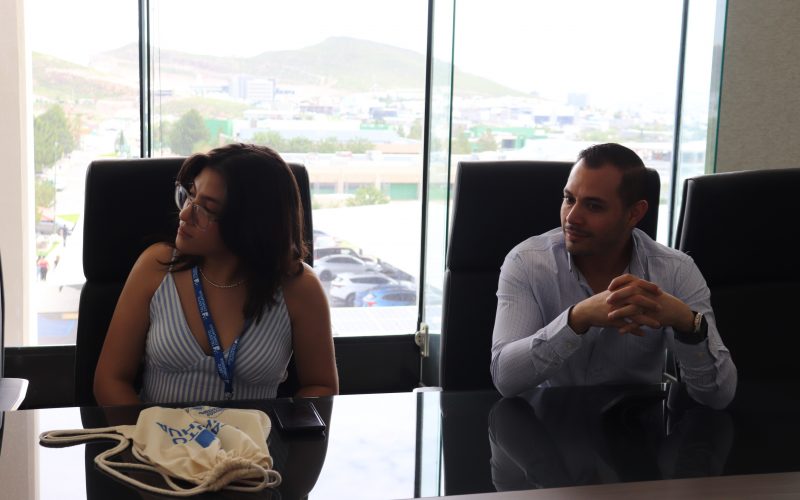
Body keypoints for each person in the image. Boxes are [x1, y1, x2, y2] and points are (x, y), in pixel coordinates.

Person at [490, 143, 736, 409]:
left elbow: (717, 397)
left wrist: (687, 324)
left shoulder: (676, 271)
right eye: (569, 199)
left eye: (593, 206)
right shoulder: (526, 262)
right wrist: (576, 319)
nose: (572, 218)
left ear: (634, 213)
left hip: (636, 427)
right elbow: (505, 379)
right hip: (544, 424)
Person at [94, 143, 338, 405]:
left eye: (206, 209)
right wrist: (148, 430)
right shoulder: (156, 266)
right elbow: (110, 380)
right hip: (156, 431)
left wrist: (286, 428)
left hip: (256, 433)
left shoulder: (299, 287)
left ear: (251, 224)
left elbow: (321, 386)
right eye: (190, 196)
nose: (185, 214)